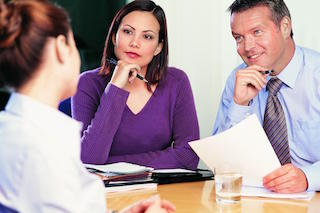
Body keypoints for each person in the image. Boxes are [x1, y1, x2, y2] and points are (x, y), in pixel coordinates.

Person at [0, 0, 175, 212]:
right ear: (61, 48)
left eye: (147, 36)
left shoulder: (18, 130)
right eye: (75, 44)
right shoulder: (42, 146)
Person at [72, 0, 199, 169]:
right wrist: (115, 88)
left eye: (147, 36)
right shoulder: (87, 83)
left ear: (158, 47)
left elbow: (188, 156)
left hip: (161, 191)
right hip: (108, 193)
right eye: (127, 32)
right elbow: (88, 159)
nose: (135, 43)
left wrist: (114, 164)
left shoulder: (177, 81)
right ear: (113, 37)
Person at [213, 0, 320, 193]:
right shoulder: (237, 80)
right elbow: (220, 163)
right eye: (238, 37)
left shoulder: (316, 75)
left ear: (285, 27)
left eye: (257, 32)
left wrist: (307, 177)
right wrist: (240, 104)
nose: (247, 47)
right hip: (255, 199)